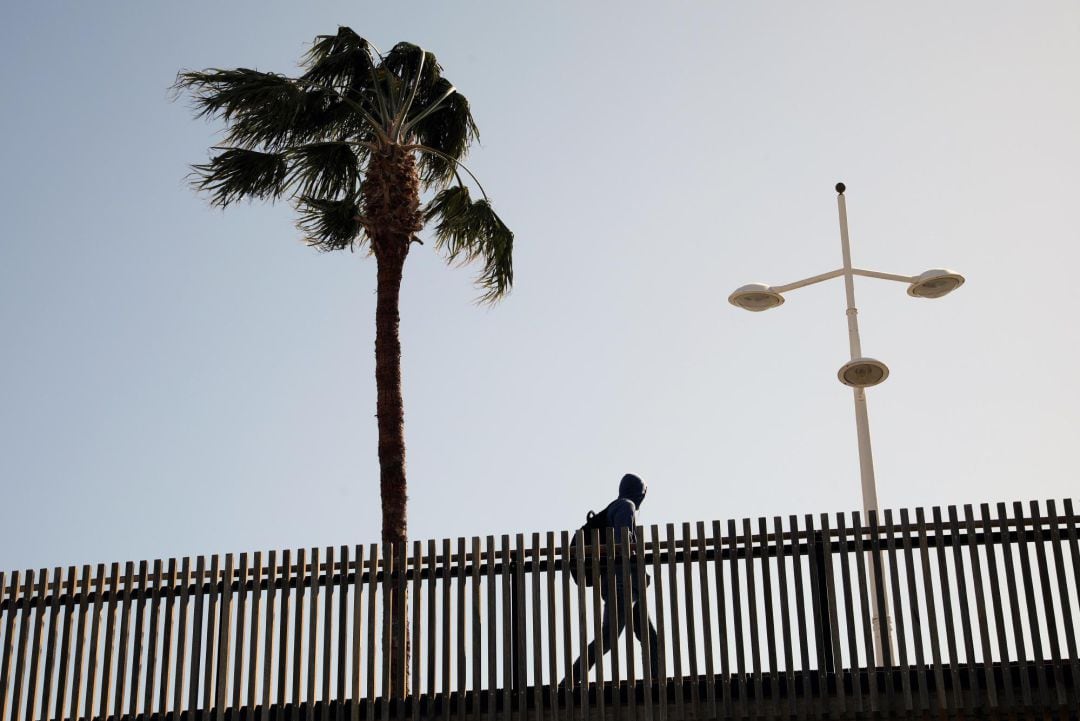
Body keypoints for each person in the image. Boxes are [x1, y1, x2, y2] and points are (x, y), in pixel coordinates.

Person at [568, 473, 660, 684]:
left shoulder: (616, 506)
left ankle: (655, 681)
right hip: (623, 584)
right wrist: (638, 572)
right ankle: (572, 679)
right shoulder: (626, 507)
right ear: (640, 493)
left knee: (650, 638)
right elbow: (622, 544)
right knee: (608, 637)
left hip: (626, 585)